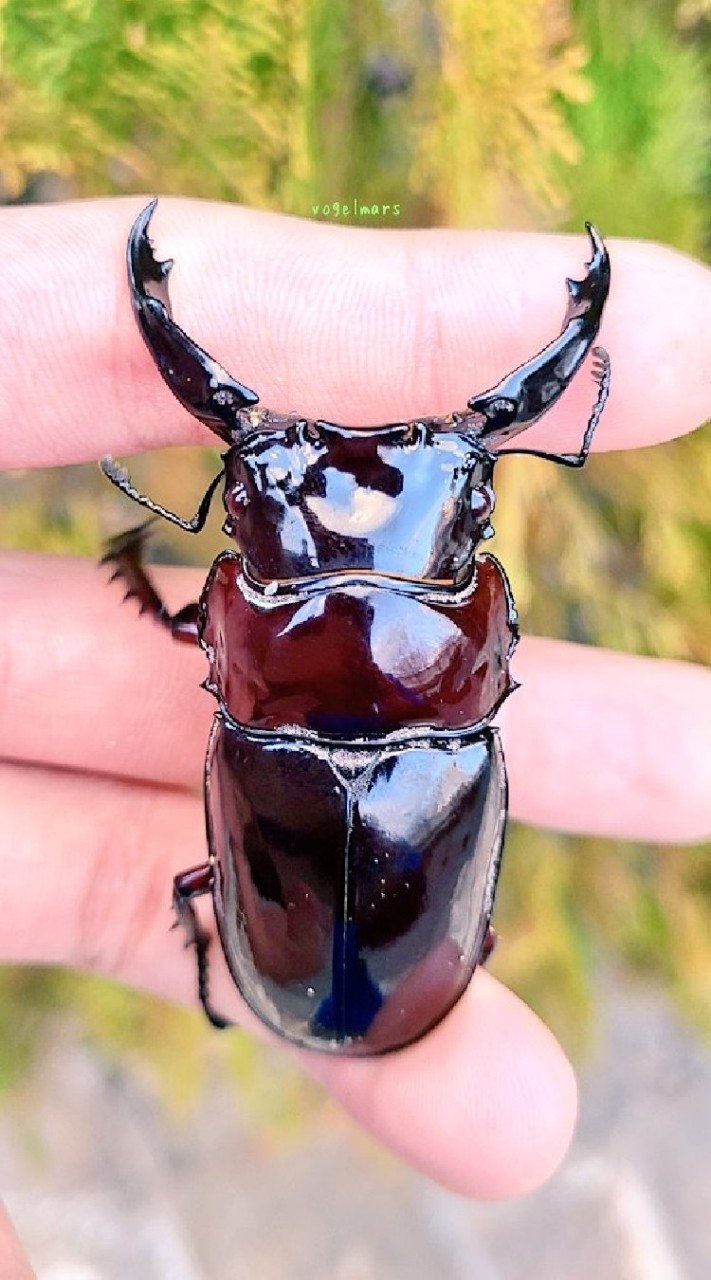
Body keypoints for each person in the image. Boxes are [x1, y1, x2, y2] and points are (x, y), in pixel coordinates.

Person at [1, 198, 709, 1273]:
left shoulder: (242, 657)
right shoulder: (469, 676)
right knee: (227, 885)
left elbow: (211, 630)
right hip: (356, 941)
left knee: (213, 882)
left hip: (321, 944)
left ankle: (233, 953)